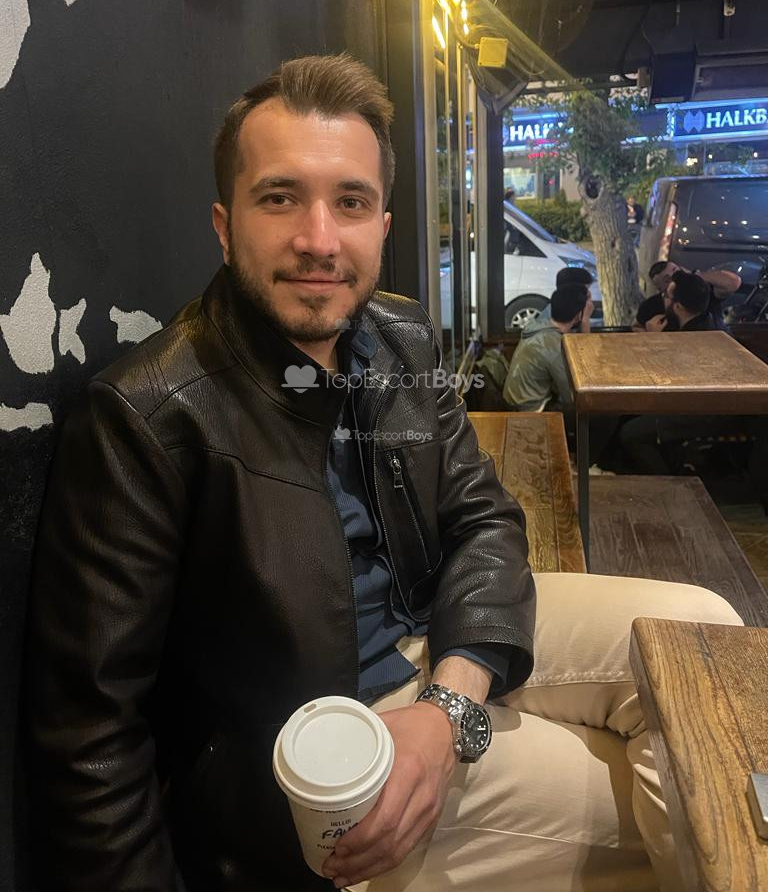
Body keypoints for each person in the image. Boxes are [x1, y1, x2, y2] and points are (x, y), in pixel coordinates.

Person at [25, 54, 742, 892]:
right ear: (224, 224)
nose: (319, 239)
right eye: (280, 197)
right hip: (326, 750)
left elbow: (484, 518)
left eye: (351, 202)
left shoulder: (400, 336)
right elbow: (89, 739)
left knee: (705, 635)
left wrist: (451, 702)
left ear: (384, 224)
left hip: (435, 638)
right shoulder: (148, 415)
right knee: (687, 796)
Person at [620, 271, 727, 473]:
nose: (664, 301)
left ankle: (670, 483)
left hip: (705, 413)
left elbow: (663, 379)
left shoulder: (693, 340)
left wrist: (653, 339)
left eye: (667, 297)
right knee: (627, 414)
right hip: (702, 405)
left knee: (630, 434)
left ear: (677, 307)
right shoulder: (710, 322)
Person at [503, 284, 591, 411]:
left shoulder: (539, 326)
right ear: (578, 315)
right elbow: (573, 396)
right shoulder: (554, 346)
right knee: (593, 412)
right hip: (529, 410)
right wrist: (586, 320)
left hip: (514, 402)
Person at [634, 259, 741, 332]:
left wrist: (695, 276)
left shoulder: (700, 290)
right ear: (660, 289)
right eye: (667, 280)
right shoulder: (650, 306)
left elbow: (733, 283)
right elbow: (637, 327)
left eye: (675, 272)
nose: (675, 279)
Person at [522, 265, 593, 333]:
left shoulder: (557, 311)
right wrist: (585, 320)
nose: (589, 294)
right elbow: (582, 341)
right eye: (586, 289)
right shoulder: (559, 321)